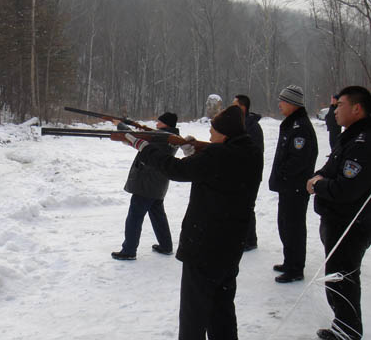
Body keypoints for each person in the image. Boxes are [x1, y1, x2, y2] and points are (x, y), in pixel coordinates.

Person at [120, 105, 263, 339]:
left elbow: (174, 169)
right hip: (230, 246)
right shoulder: (251, 154)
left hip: (203, 247)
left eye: (214, 131)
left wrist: (142, 146)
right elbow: (216, 173)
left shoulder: (217, 155)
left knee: (193, 317)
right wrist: (193, 151)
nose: (210, 135)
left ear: (225, 135)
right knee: (222, 310)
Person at [306, 86, 370, 340]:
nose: (334, 110)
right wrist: (318, 177)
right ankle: (344, 325)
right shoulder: (350, 137)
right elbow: (331, 167)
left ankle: (349, 331)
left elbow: (347, 188)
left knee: (343, 278)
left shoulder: (364, 142)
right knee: (339, 276)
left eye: (339, 105)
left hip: (350, 224)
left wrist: (318, 184)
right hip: (336, 220)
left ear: (357, 108)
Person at [111, 112, 180, 261]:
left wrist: (119, 125)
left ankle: (129, 250)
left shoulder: (162, 136)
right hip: (157, 182)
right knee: (157, 214)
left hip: (147, 182)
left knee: (134, 217)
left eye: (159, 122)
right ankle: (166, 246)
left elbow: (135, 138)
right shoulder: (170, 137)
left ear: (165, 124)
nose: (156, 124)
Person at [269, 85, 318, 283]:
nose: (279, 104)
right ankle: (290, 261)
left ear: (292, 103)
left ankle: (296, 268)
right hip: (288, 187)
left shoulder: (300, 127)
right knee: (285, 224)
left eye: (282, 101)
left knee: (293, 227)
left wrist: (282, 175)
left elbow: (298, 160)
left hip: (295, 187)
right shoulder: (292, 124)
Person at [232, 94, 264, 251]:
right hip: (238, 173)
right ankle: (244, 237)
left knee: (246, 206)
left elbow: (252, 153)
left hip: (249, 174)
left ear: (243, 108)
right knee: (239, 205)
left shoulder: (252, 128)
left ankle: (250, 240)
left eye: (235, 105)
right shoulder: (240, 124)